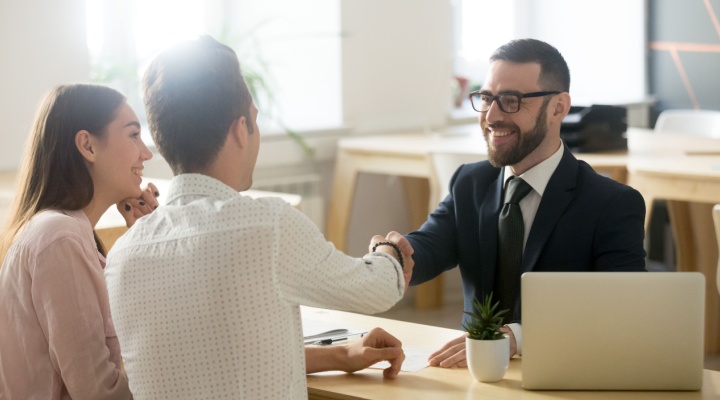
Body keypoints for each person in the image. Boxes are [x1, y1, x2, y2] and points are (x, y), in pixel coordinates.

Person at [103, 35, 414, 399]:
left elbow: (215, 357)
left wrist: (341, 354)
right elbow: (378, 290)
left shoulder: (121, 258)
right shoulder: (269, 227)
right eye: (254, 120)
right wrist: (388, 250)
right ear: (240, 130)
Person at [398, 38, 646, 367]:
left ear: (558, 107)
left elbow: (621, 310)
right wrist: (395, 254)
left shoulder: (612, 205)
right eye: (486, 98)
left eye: (511, 101)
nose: (492, 115)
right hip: (473, 376)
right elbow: (429, 245)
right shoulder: (470, 182)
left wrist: (517, 338)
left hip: (564, 373)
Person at [0, 83, 159, 399]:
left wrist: (143, 244)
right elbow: (98, 392)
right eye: (132, 135)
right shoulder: (60, 238)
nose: (146, 153)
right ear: (87, 145)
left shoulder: (66, 234)